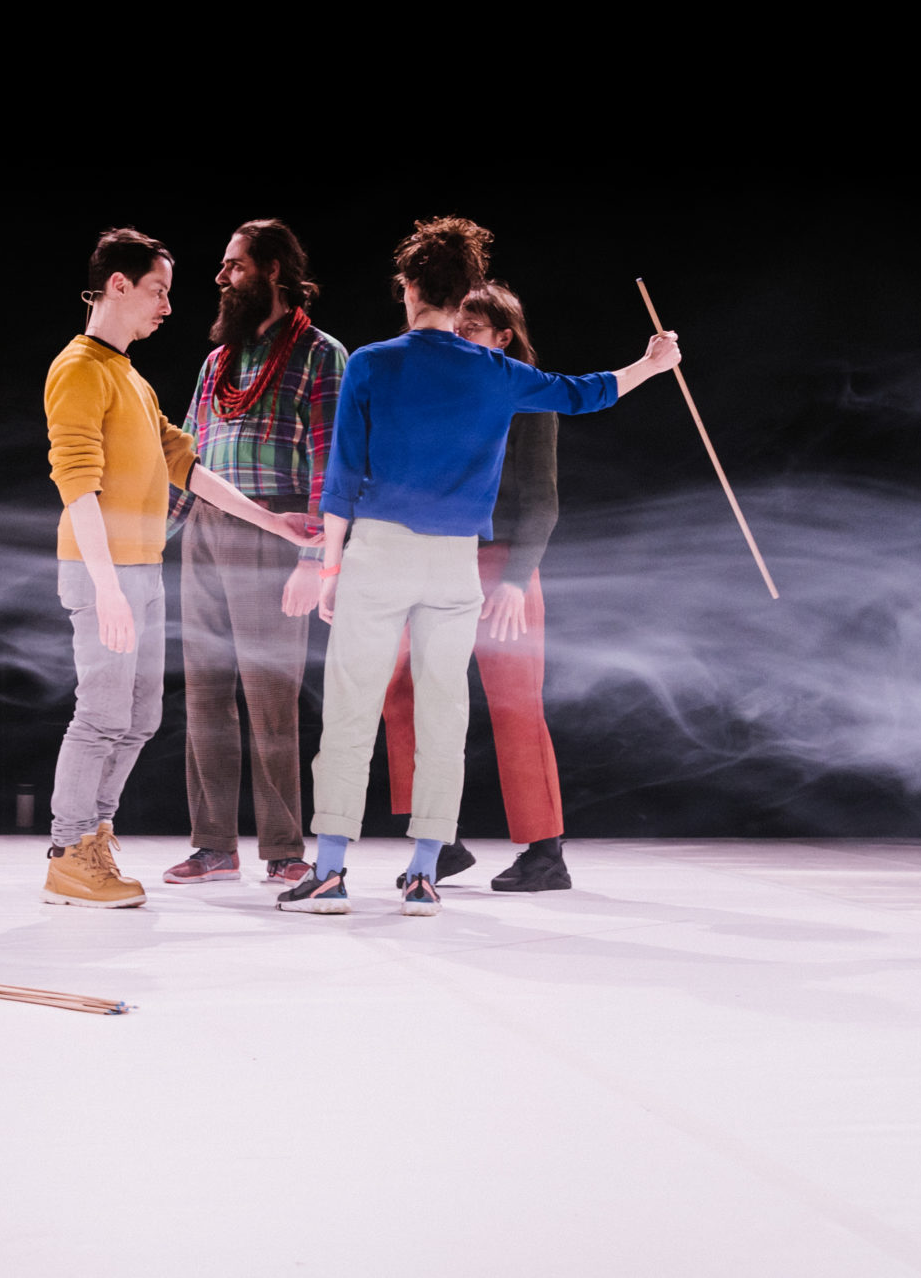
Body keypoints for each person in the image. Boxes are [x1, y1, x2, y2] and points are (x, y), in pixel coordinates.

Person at [279, 218, 679, 917]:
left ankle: (331, 872)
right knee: (444, 718)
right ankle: (423, 876)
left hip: (380, 552)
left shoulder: (371, 362)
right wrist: (651, 363)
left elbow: (341, 478)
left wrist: (328, 566)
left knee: (350, 715)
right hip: (456, 564)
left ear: (408, 287)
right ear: (465, 293)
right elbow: (585, 392)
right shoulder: (497, 373)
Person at [42, 227, 314, 908]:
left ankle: (94, 838)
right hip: (105, 571)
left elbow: (186, 463)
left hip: (141, 569)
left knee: (138, 719)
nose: (167, 306)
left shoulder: (129, 377)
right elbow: (77, 485)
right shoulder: (78, 368)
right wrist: (107, 586)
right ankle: (67, 852)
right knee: (100, 715)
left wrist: (274, 522)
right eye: (157, 291)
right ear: (118, 286)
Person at [163, 220, 347, 889]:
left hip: (279, 530)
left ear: (272, 270)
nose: (221, 277)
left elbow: (330, 461)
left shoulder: (321, 354)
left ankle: (283, 847)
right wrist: (148, 546)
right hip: (206, 533)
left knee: (271, 697)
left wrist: (313, 560)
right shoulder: (218, 361)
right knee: (205, 692)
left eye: (234, 265)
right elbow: (185, 457)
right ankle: (213, 844)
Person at [379, 280, 576, 893]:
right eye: (454, 328)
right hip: (437, 559)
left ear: (503, 337)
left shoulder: (529, 395)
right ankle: (438, 841)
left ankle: (545, 853)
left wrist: (516, 581)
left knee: (515, 700)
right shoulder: (439, 394)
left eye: (470, 330)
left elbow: (542, 501)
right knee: (401, 688)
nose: (456, 338)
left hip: (502, 565)